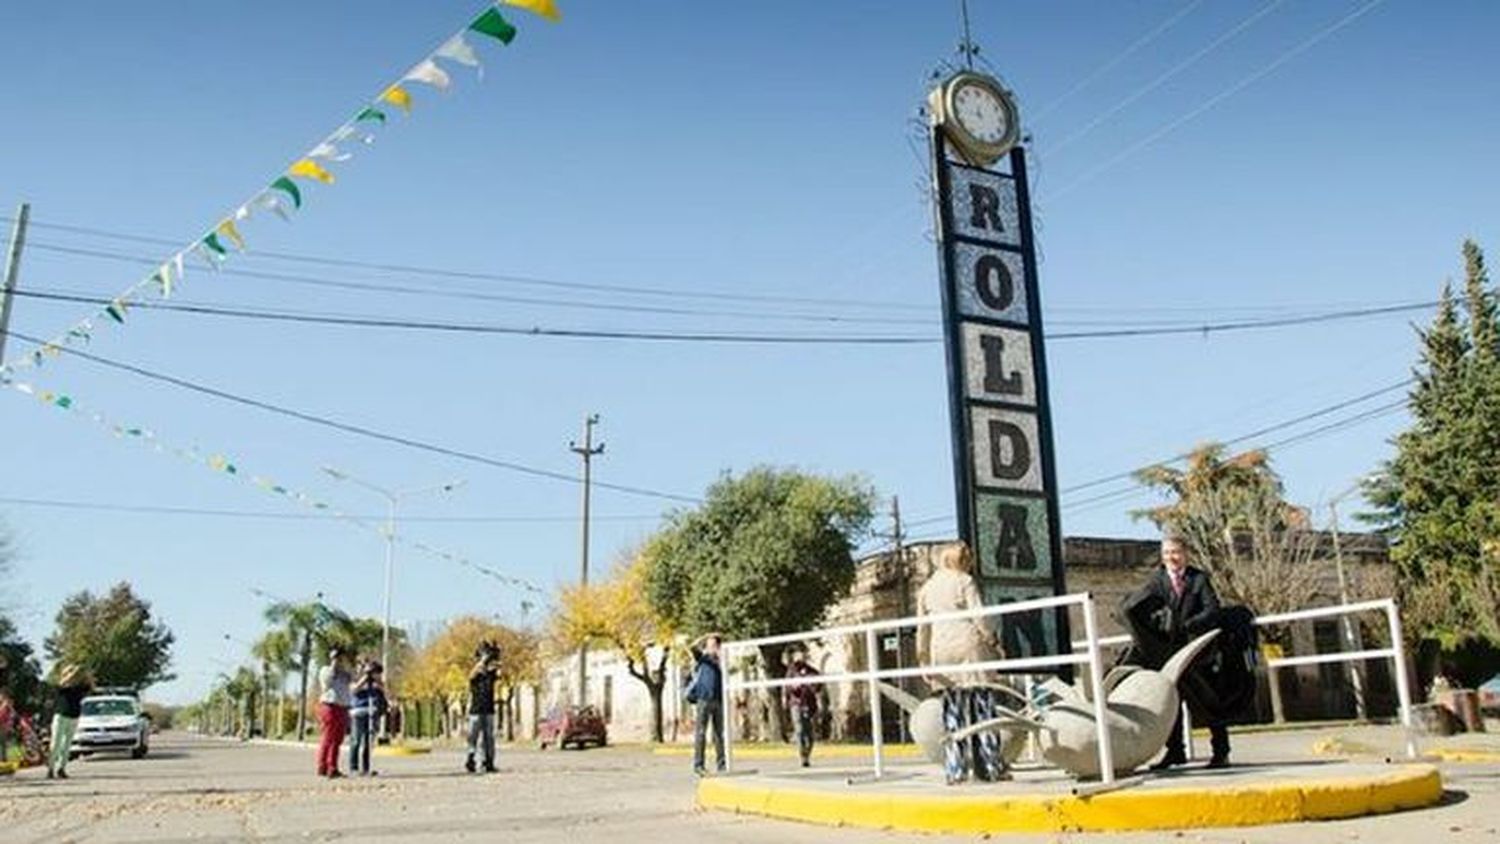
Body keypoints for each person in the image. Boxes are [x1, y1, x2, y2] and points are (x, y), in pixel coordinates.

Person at [1125, 532, 1231, 770]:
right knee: (1171, 701)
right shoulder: (1157, 581)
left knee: (1208, 699)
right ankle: (1175, 752)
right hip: (1169, 652)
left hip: (1195, 651)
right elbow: (1139, 606)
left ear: (1185, 554)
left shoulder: (1198, 579)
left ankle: (1221, 752)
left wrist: (1189, 624)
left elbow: (1212, 609)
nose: (1171, 557)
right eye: (1166, 553)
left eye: (1175, 552)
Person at [915, 542, 1011, 783]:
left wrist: (924, 658)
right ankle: (989, 765)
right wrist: (993, 641)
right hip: (969, 645)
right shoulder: (964, 581)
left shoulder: (927, 588)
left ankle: (956, 769)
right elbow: (979, 616)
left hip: (941, 648)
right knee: (982, 706)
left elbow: (922, 628)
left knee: (953, 710)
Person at [686, 632, 725, 776]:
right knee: (701, 732)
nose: (712, 648)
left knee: (719, 734)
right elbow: (692, 646)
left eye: (715, 645)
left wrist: (720, 655)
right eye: (710, 645)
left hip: (718, 700)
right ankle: (698, 765)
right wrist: (706, 636)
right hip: (704, 699)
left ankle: (722, 764)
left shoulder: (722, 661)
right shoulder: (703, 658)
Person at [47, 663, 92, 780]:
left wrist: (86, 674)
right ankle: (50, 768)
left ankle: (61, 768)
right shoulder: (61, 686)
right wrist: (71, 674)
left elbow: (91, 686)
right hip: (61, 716)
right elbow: (61, 684)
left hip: (74, 717)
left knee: (66, 745)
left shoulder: (79, 687)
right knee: (55, 744)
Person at [316, 646, 353, 778]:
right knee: (328, 737)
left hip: (343, 707)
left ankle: (332, 767)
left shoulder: (344, 673)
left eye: (340, 657)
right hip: (330, 707)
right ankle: (322, 766)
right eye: (336, 657)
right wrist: (334, 663)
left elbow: (351, 680)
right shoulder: (326, 670)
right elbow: (327, 682)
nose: (339, 660)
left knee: (337, 740)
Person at [782, 646, 820, 768]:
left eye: (803, 654)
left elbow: (819, 686)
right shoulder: (791, 671)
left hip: (809, 704)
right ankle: (802, 756)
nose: (801, 657)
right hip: (796, 703)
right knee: (799, 729)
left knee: (810, 733)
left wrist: (812, 686)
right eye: (798, 654)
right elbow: (787, 688)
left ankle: (807, 754)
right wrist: (792, 687)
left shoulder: (812, 671)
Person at [465, 641, 499, 774]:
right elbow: (472, 674)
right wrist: (482, 661)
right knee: (473, 737)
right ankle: (470, 759)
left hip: (489, 709)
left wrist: (495, 659)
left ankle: (488, 762)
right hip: (476, 710)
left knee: (489, 738)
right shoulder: (476, 675)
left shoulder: (491, 674)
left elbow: (499, 672)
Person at [349, 660, 387, 776]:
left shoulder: (377, 682)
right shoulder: (355, 679)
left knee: (367, 743)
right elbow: (353, 689)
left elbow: (385, 690)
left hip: (371, 713)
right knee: (356, 740)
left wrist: (377, 681)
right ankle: (354, 768)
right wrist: (364, 679)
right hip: (358, 713)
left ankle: (366, 768)